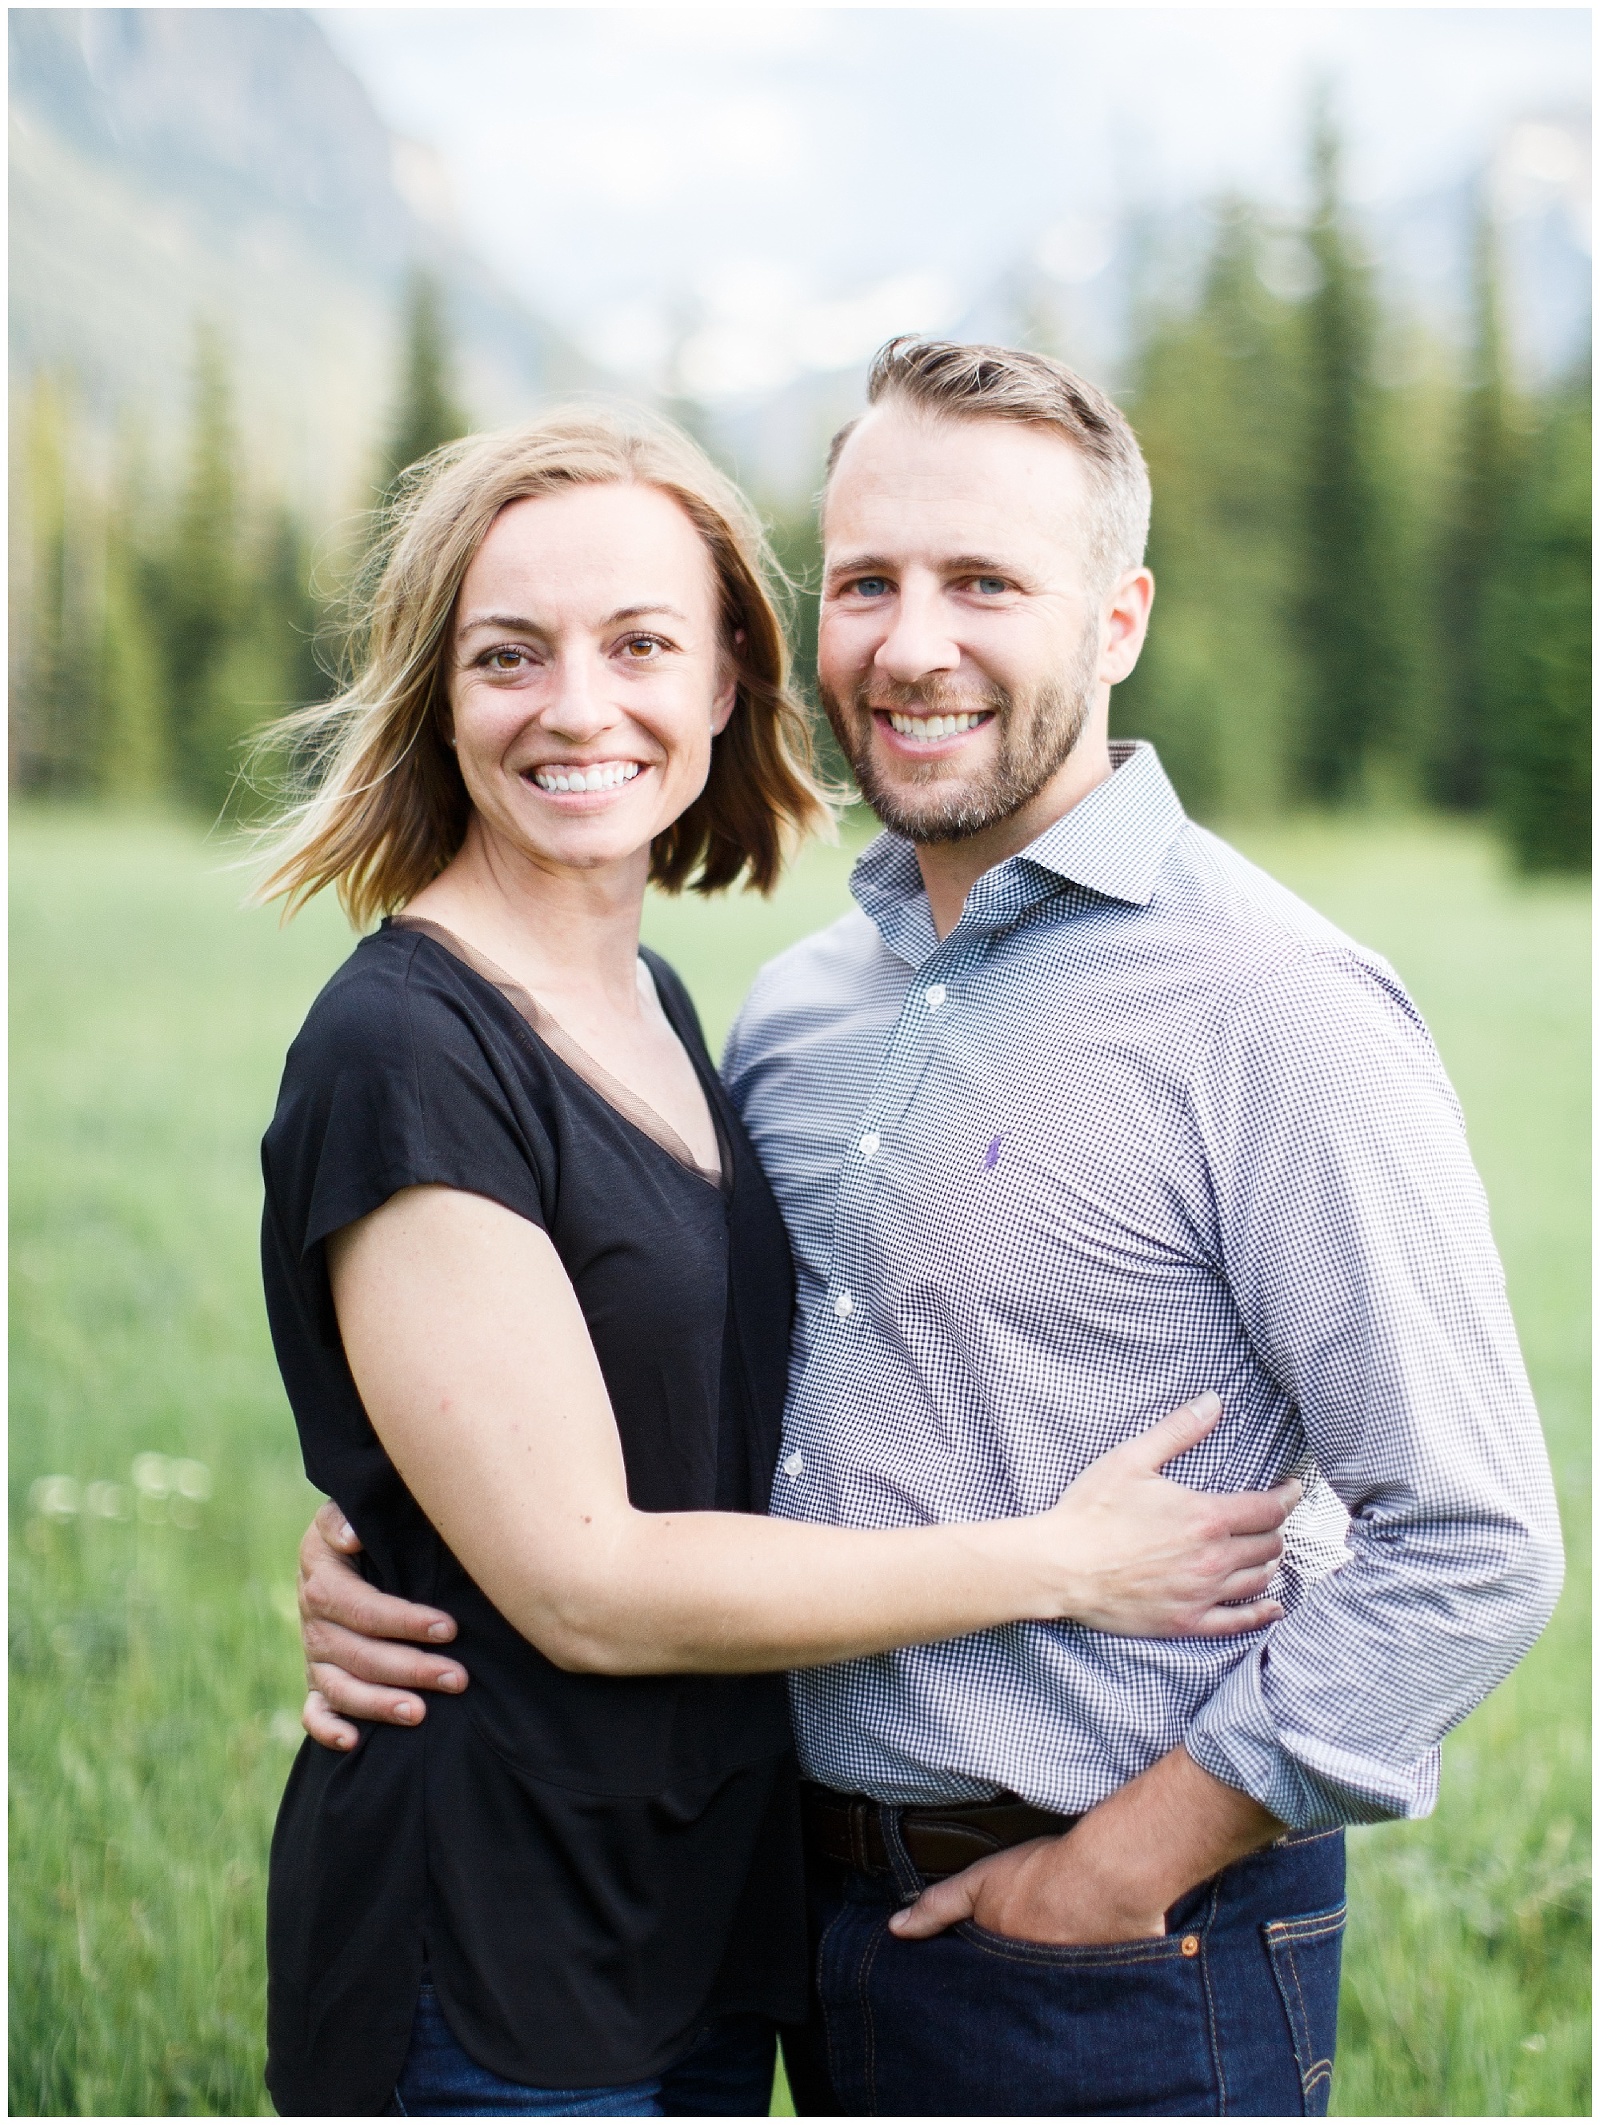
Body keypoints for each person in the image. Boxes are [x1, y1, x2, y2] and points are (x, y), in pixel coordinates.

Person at [297, 344, 1564, 2118]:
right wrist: (409, 1533)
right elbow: (641, 1390)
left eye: (985, 583)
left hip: (1112, 1956)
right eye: (872, 580)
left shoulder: (1274, 1006)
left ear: (1116, 620)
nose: (912, 643)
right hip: (779, 1914)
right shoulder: (796, 1010)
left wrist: (1116, 1872)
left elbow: (1478, 1540)